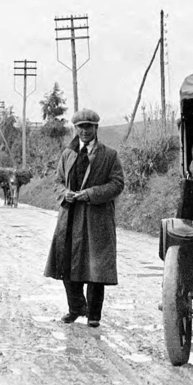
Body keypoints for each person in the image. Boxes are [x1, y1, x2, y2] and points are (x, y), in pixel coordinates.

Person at [44, 108, 125, 327]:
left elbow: (117, 184)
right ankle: (76, 308)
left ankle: (94, 315)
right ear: (75, 129)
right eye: (80, 127)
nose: (84, 131)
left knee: (96, 268)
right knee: (66, 263)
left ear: (96, 128)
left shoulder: (109, 155)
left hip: (96, 218)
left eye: (89, 126)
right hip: (69, 217)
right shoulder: (67, 154)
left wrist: (90, 194)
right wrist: (65, 193)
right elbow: (57, 181)